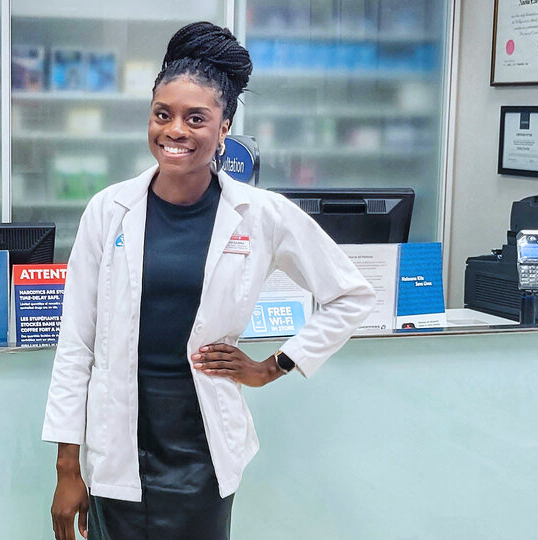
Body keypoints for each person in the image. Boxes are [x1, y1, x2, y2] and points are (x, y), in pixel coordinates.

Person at [42, 21, 375, 540]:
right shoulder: (108, 211)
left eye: (196, 118)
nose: (175, 131)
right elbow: (75, 345)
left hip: (202, 451)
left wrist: (274, 366)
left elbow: (351, 295)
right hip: (116, 445)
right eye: (162, 114)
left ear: (224, 128)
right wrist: (67, 469)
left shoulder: (260, 213)